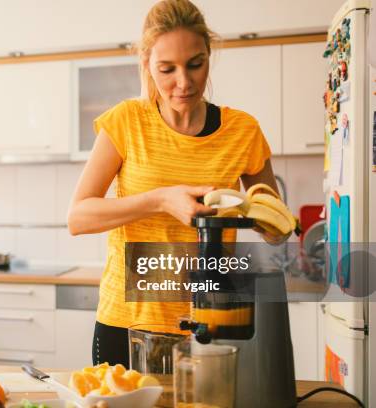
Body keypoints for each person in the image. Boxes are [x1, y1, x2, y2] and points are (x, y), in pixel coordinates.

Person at [67, 0, 288, 367]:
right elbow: (78, 217)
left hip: (211, 320)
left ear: (209, 56)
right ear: (147, 65)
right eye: (166, 69)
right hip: (127, 323)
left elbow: (275, 231)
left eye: (195, 65)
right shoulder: (126, 122)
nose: (183, 83)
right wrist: (160, 200)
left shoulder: (242, 131)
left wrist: (243, 213)